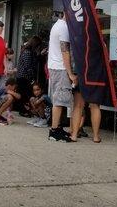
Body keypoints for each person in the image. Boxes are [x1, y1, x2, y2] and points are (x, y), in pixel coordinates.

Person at [47, 11, 76, 142]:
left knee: (58, 99)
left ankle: (56, 127)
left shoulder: (57, 25)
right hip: (61, 68)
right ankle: (54, 131)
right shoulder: (64, 28)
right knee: (59, 100)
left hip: (55, 66)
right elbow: (65, 51)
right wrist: (70, 73)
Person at [16, 36, 42, 116]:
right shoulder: (27, 52)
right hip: (24, 77)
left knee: (23, 94)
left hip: (22, 76)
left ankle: (24, 110)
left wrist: (38, 55)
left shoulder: (26, 51)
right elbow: (28, 66)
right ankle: (23, 110)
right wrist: (32, 78)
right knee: (24, 94)